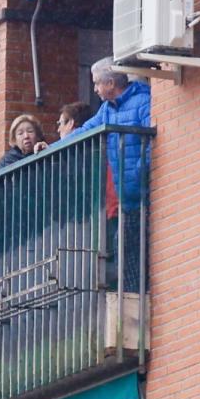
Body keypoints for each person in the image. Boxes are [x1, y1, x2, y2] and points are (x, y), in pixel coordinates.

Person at [61, 57, 151, 292]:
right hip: (127, 195)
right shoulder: (107, 110)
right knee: (125, 248)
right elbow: (85, 131)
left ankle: (140, 293)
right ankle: (132, 293)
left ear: (110, 83)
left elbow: (152, 141)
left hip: (143, 192)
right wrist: (52, 147)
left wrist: (140, 173)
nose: (95, 89)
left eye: (97, 84)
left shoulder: (143, 101)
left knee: (139, 247)